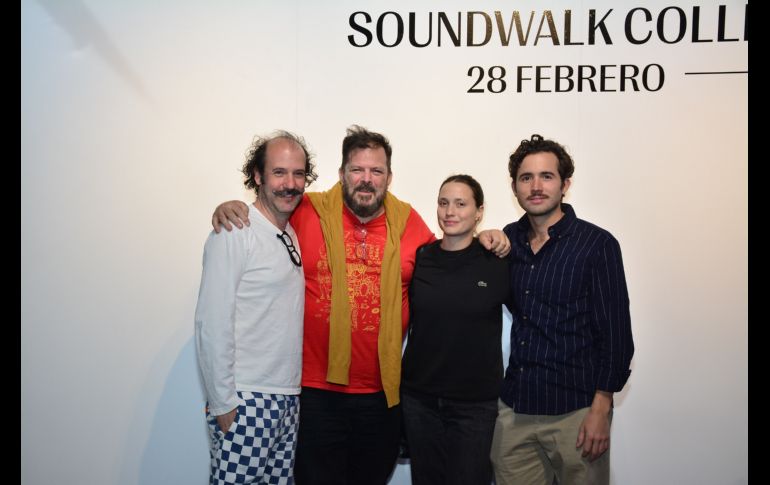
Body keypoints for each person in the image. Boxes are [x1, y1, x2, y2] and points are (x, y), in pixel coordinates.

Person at [211, 125, 511, 485]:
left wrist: (485, 235)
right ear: (342, 173)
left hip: (381, 396)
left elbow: (451, 252)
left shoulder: (408, 222)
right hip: (316, 393)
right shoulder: (307, 210)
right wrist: (232, 207)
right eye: (357, 169)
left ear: (389, 177)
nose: (366, 179)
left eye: (376, 171)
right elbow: (267, 211)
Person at [490, 134, 635, 485]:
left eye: (547, 176)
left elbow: (616, 335)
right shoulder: (509, 241)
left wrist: (601, 408)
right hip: (516, 411)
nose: (536, 186)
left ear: (565, 184)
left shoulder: (597, 244)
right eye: (526, 178)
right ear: (514, 187)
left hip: (577, 413)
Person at [194, 131, 317, 485]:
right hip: (246, 399)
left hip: (287, 398)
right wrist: (223, 403)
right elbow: (211, 322)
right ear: (258, 175)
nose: (290, 184)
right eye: (279, 172)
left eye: (298, 174)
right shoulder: (235, 231)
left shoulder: (289, 233)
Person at [400, 174, 511, 485]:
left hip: (475, 405)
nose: (450, 211)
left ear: (479, 212)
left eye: (461, 204)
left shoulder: (496, 261)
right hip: (419, 400)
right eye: (444, 203)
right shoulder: (421, 257)